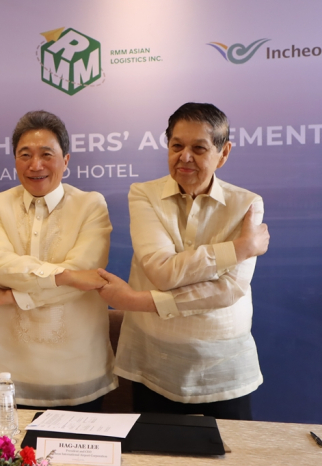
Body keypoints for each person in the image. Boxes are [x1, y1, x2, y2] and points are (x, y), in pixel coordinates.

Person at [97, 102, 270, 420]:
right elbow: (161, 271)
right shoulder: (144, 194)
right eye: (177, 145)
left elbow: (228, 290)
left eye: (199, 148)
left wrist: (137, 300)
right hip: (154, 359)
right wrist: (238, 249)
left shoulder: (247, 205)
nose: (184, 157)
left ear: (224, 152)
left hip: (223, 366)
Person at [0, 110, 116, 411]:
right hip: (8, 367)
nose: (35, 165)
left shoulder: (91, 206)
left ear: (66, 159)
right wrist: (65, 276)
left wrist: (12, 296)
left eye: (46, 154)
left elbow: (85, 279)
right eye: (25, 155)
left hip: (77, 367)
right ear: (14, 160)